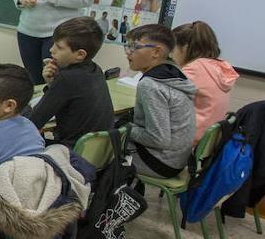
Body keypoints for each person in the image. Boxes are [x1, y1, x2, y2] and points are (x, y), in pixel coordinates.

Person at [124, 24, 197, 177]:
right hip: (177, 159)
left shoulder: (150, 85)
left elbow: (158, 139)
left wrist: (126, 128)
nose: (127, 51)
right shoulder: (173, 72)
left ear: (156, 52)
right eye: (127, 45)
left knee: (99, 150)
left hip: (160, 163)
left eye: (134, 47)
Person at [32, 16, 115, 149]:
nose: (51, 50)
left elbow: (34, 120)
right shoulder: (95, 69)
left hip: (71, 154)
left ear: (80, 55)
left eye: (59, 47)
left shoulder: (67, 79)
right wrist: (51, 84)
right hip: (96, 154)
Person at [172, 21, 238, 141]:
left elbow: (164, 99)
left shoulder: (194, 70)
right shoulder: (221, 67)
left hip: (188, 140)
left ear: (185, 48)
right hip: (207, 142)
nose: (172, 54)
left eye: (174, 48)